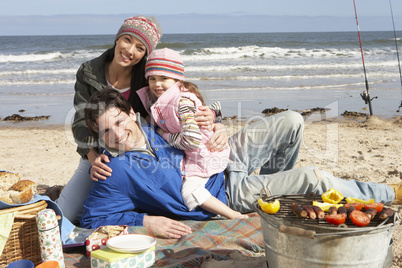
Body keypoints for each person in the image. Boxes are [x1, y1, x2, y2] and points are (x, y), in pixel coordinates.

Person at [80, 89, 399, 238]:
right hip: (225, 194)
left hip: (221, 156)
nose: (119, 134)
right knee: (312, 177)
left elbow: (192, 116)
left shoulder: (153, 124)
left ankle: (274, 195)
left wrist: (215, 125)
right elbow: (90, 218)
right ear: (98, 135)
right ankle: (388, 193)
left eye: (121, 121)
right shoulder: (113, 170)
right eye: (107, 131)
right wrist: (145, 222)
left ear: (132, 113)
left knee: (290, 121)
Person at [56, 16, 224, 224]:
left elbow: (178, 101)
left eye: (140, 48)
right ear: (117, 38)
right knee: (66, 214)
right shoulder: (89, 72)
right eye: (127, 39)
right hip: (98, 148)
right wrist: (91, 156)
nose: (130, 51)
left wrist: (216, 122)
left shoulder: (146, 74)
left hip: (141, 146)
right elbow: (81, 120)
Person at [136, 48, 247, 219]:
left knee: (189, 193)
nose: (157, 84)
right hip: (200, 153)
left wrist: (163, 135)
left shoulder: (181, 102)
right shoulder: (168, 99)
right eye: (152, 79)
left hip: (203, 155)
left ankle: (234, 215)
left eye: (163, 78)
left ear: (176, 79)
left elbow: (192, 140)